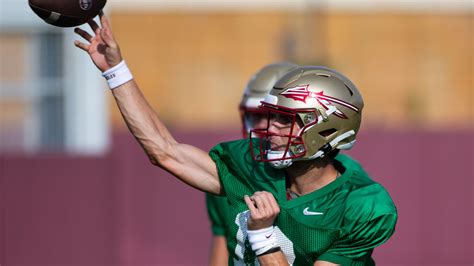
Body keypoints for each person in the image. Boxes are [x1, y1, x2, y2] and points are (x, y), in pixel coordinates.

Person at [74, 13, 397, 265]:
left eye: (285, 120)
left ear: (326, 129)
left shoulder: (364, 205)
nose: (270, 127)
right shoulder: (251, 163)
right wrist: (116, 71)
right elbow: (164, 151)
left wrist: (264, 237)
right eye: (272, 115)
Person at [206, 62, 299, 266]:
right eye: (255, 116)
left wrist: (263, 235)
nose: (264, 127)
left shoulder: (346, 189)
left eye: (277, 117)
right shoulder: (232, 169)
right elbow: (223, 246)